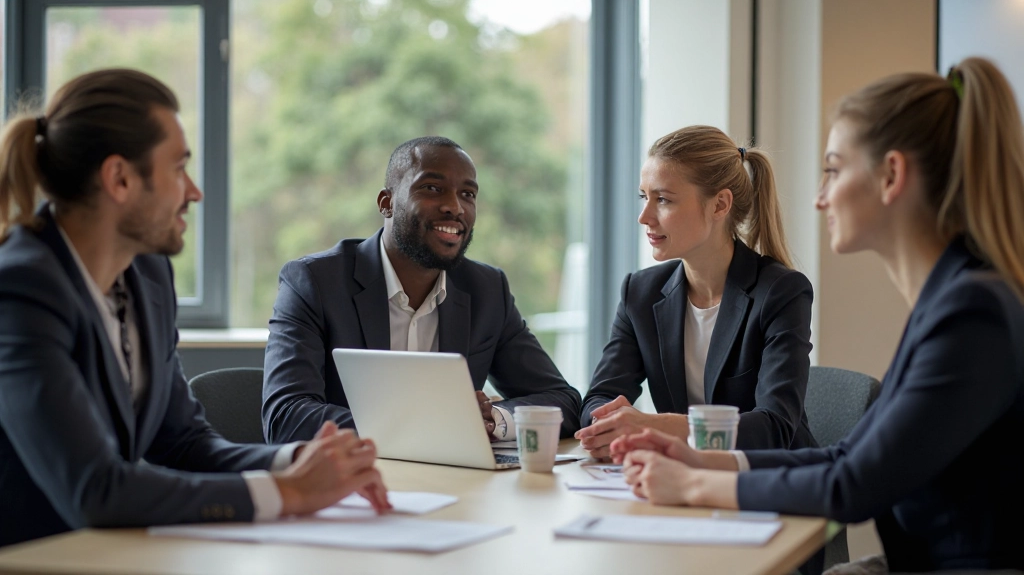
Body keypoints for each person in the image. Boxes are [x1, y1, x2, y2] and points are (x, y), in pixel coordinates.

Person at [612, 58, 1024, 572]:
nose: (820, 197)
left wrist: (695, 482)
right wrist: (706, 459)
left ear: (891, 175)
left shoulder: (971, 312)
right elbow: (846, 457)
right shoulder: (954, 299)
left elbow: (853, 486)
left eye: (833, 169)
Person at [0, 69, 390, 548]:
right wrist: (286, 493)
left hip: (117, 554)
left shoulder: (148, 274)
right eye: (179, 167)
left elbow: (183, 442)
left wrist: (301, 462)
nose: (194, 191)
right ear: (120, 179)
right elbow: (95, 490)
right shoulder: (21, 290)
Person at [262, 136, 582, 444]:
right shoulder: (314, 282)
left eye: (468, 194)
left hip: (456, 487)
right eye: (432, 188)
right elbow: (286, 417)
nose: (454, 207)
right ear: (386, 203)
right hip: (351, 485)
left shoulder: (487, 290)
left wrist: (492, 419)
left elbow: (563, 401)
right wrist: (434, 423)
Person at [575, 125, 816, 458]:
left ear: (719, 205)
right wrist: (607, 419)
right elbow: (598, 397)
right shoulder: (641, 293)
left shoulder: (781, 293)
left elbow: (774, 429)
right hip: (681, 480)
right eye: (644, 197)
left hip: (767, 484)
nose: (644, 216)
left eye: (663, 200)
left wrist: (653, 425)